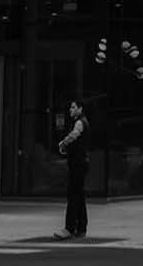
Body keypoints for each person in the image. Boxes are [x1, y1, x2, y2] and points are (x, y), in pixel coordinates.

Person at [54, 99, 87, 240]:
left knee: (73, 195)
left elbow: (75, 134)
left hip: (78, 164)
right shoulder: (82, 121)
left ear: (80, 109)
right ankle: (81, 228)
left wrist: (63, 143)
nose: (70, 110)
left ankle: (69, 228)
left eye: (73, 107)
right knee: (78, 196)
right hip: (79, 163)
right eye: (70, 107)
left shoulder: (80, 122)